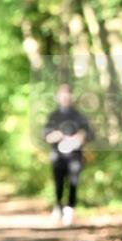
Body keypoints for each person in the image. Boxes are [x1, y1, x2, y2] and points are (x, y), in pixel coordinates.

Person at [43, 83, 94, 225]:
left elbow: (89, 133)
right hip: (57, 156)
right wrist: (57, 135)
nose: (65, 98)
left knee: (74, 182)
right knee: (58, 182)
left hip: (75, 156)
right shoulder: (53, 116)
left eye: (68, 95)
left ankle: (70, 208)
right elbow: (46, 135)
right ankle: (58, 205)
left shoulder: (79, 116)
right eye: (62, 95)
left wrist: (80, 136)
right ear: (58, 97)